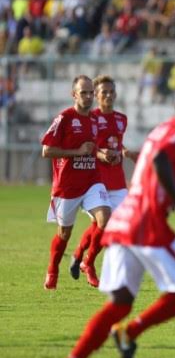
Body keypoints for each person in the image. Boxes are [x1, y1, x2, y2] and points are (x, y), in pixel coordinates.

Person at [51, 83, 175, 358]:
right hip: (145, 223)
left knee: (120, 302)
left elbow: (152, 164)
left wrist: (171, 203)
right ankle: (129, 334)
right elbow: (160, 161)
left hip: (125, 218)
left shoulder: (161, 128)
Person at [40, 76, 112, 290]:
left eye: (91, 92)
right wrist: (76, 152)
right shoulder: (64, 118)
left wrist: (103, 154)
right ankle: (53, 269)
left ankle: (87, 263)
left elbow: (92, 150)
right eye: (84, 93)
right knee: (64, 234)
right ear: (74, 94)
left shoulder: (95, 120)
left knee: (105, 218)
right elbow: (46, 151)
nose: (89, 96)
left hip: (92, 181)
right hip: (67, 186)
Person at [70, 75, 139, 287]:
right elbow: (89, 148)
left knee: (105, 225)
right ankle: (88, 262)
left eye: (112, 92)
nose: (108, 95)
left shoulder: (121, 119)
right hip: (96, 180)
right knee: (105, 224)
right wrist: (102, 155)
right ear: (96, 95)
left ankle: (80, 256)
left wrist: (125, 152)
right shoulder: (90, 119)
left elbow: (118, 143)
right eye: (104, 92)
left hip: (117, 181)